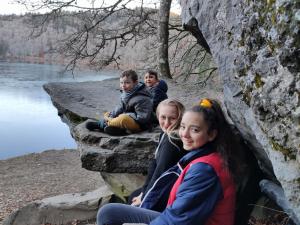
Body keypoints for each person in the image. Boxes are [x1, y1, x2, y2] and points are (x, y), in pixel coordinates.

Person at [96, 98, 244, 225]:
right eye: (183, 127)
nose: (184, 134)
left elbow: (177, 221)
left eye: (195, 130)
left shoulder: (204, 170)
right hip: (180, 216)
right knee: (108, 212)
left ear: (211, 134)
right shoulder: (205, 155)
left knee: (109, 214)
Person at [129, 99, 186, 211]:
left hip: (169, 191)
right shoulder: (165, 134)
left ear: (180, 119)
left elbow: (161, 172)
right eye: (163, 117)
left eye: (172, 118)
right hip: (166, 185)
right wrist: (143, 192)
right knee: (134, 195)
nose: (166, 123)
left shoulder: (172, 140)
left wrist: (144, 197)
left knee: (132, 201)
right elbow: (155, 165)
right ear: (158, 116)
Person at [86, 69, 153, 135]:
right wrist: (112, 115)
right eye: (121, 82)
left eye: (127, 82)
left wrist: (127, 115)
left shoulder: (142, 98)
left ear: (135, 83)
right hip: (126, 118)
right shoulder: (126, 93)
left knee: (123, 119)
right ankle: (119, 130)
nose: (123, 85)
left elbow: (142, 118)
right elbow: (120, 108)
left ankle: (103, 124)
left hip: (139, 125)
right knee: (109, 113)